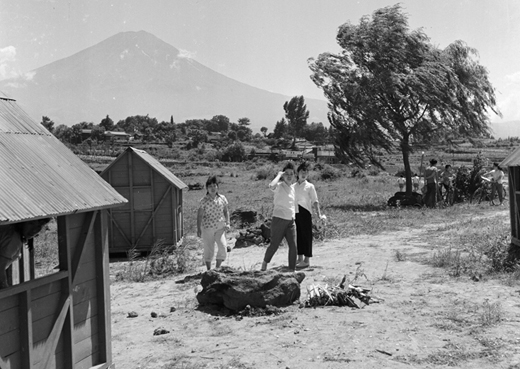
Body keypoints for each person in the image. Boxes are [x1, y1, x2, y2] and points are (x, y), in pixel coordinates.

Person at [261, 161, 297, 272]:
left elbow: (293, 204)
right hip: (279, 219)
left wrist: (294, 217)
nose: (289, 176)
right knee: (274, 245)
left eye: (291, 173)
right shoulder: (279, 186)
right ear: (283, 175)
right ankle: (264, 264)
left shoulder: (293, 188)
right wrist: (279, 175)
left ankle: (292, 268)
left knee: (293, 245)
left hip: (291, 220)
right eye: (287, 173)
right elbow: (271, 186)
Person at [294, 161, 326, 269]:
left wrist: (318, 214)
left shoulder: (310, 186)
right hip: (295, 212)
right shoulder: (293, 186)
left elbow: (315, 201)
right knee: (297, 236)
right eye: (302, 172)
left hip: (305, 212)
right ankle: (299, 258)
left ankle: (306, 260)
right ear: (297, 173)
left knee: (306, 236)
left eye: (306, 172)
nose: (304, 174)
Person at [197, 175, 230, 270]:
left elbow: (226, 211)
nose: (212, 188)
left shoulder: (222, 198)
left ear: (217, 187)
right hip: (208, 228)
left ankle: (217, 268)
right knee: (209, 249)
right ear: (207, 188)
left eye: (214, 186)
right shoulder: (203, 201)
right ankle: (208, 270)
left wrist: (228, 223)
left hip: (220, 226)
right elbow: (199, 216)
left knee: (223, 247)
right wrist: (198, 229)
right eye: (210, 186)